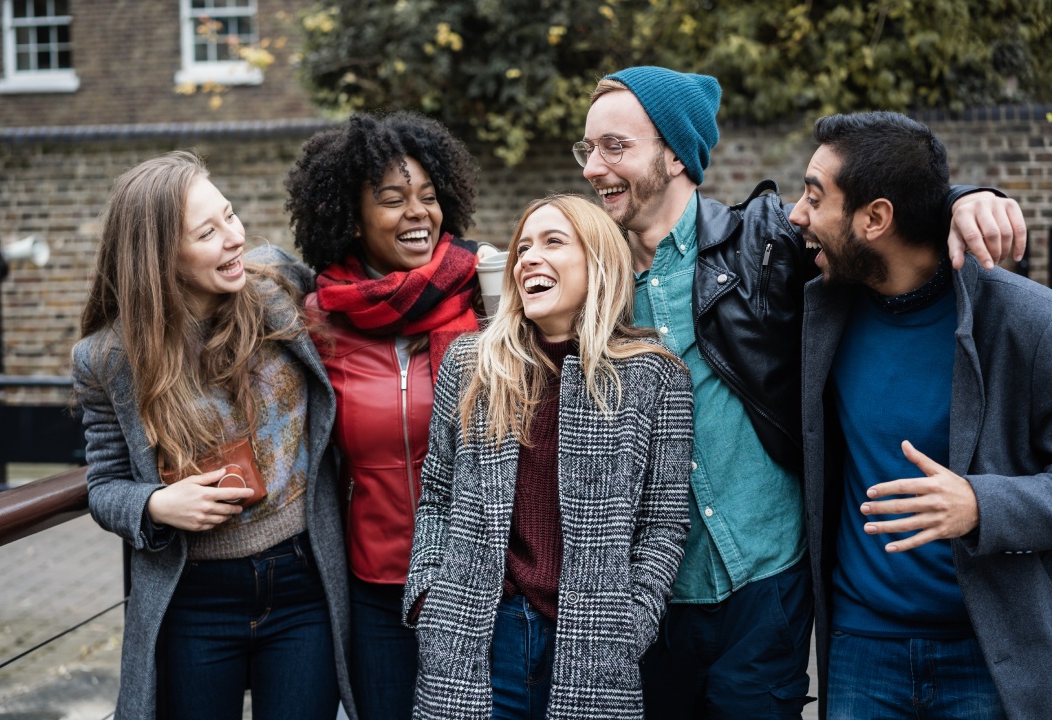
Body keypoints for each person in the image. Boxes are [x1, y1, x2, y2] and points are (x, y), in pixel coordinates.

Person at [574, 65, 1029, 717]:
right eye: (586, 149)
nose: (593, 167)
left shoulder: (766, 245)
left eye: (615, 146)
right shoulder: (593, 280)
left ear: (675, 154)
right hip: (652, 596)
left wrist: (963, 198)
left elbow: (874, 217)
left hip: (766, 587)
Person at [71, 151, 354, 720]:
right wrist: (155, 503)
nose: (234, 238)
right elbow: (102, 485)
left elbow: (371, 293)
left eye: (230, 215)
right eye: (208, 231)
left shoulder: (276, 284)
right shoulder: (107, 358)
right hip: (194, 598)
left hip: (305, 580)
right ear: (160, 257)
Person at [794, 111, 1052, 720]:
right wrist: (963, 198)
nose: (796, 216)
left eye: (813, 197)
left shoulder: (1027, 321)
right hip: (859, 650)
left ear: (876, 218)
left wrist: (982, 505)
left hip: (989, 654)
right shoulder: (818, 306)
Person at [403, 193, 693, 719]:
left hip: (592, 646)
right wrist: (430, 600)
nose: (528, 258)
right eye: (522, 248)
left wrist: (632, 623)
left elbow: (664, 523)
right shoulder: (472, 364)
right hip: (476, 637)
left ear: (598, 261)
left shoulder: (656, 376)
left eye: (553, 242)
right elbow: (437, 497)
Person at [285, 111, 493, 720]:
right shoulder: (317, 321)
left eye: (429, 198)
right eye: (394, 199)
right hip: (375, 586)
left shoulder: (483, 297)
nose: (418, 214)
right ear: (351, 217)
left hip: (476, 574)